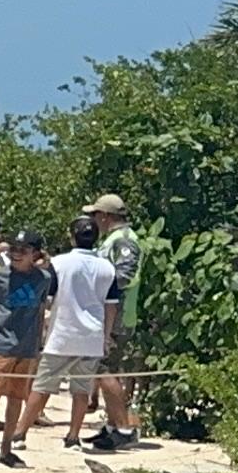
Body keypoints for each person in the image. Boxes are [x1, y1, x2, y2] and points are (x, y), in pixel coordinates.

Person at [45, 218, 125, 451]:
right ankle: (73, 436)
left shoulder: (58, 263)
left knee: (42, 386)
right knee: (81, 390)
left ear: (72, 237)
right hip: (92, 337)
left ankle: (19, 435)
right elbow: (111, 306)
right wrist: (106, 336)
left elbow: (46, 300)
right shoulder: (107, 267)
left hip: (61, 335)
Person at [0, 230, 55, 467]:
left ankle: (7, 448)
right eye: (13, 249)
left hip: (26, 346)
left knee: (16, 397)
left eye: (23, 250)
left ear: (35, 253)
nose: (16, 254)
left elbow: (40, 310)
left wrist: (38, 343)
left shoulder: (44, 279)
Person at [86, 193, 144, 450]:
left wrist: (95, 287)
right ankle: (111, 427)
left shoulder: (124, 240)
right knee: (104, 370)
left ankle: (124, 429)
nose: (92, 220)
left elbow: (125, 275)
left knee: (105, 369)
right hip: (109, 314)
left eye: (95, 215)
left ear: (105, 216)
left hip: (118, 316)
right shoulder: (114, 239)